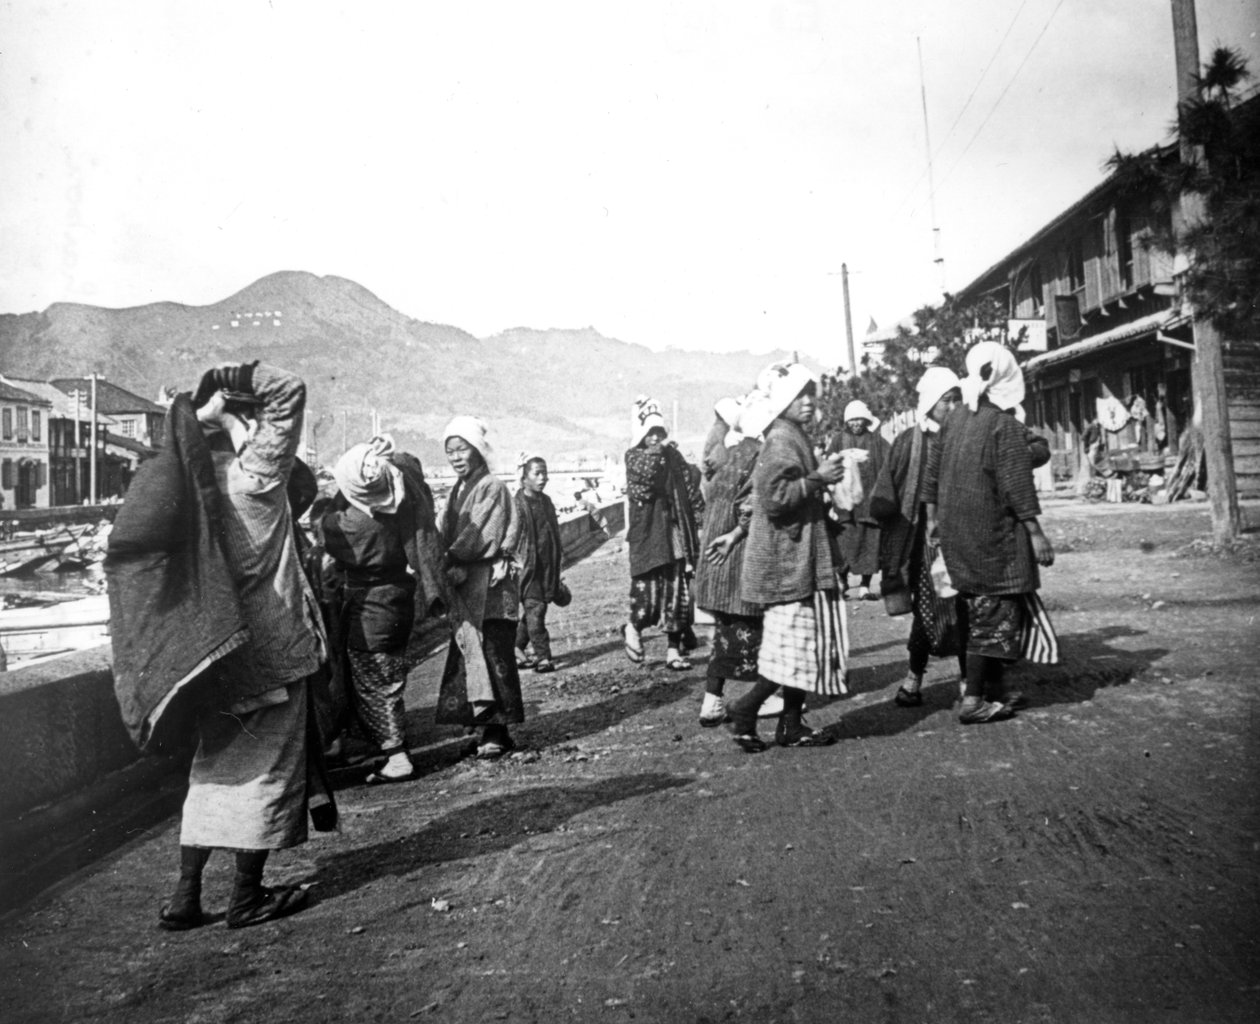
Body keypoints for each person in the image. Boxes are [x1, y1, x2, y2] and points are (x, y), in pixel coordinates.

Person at [110, 361, 334, 931]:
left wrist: (199, 410)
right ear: (244, 420)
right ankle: (246, 895)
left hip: (211, 653)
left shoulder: (189, 492)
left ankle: (186, 896)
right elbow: (288, 392)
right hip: (272, 653)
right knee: (267, 773)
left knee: (211, 772)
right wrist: (232, 380)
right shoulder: (254, 480)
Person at [923, 341, 1057, 725]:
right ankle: (974, 700)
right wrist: (1036, 533)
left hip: (957, 531)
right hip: (991, 536)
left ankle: (991, 690)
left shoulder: (956, 417)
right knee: (993, 613)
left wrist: (933, 519)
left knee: (978, 611)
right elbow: (1017, 485)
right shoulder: (1003, 424)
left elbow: (933, 474)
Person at [725, 364, 847, 751]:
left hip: (793, 559)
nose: (809, 402)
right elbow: (775, 499)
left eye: (811, 394)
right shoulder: (781, 440)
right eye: (800, 396)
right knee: (789, 649)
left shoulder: (791, 436)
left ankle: (791, 725)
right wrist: (817, 479)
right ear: (782, 403)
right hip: (785, 562)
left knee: (798, 646)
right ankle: (746, 710)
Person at [322, 434, 419, 784]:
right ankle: (379, 746)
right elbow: (410, 471)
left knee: (377, 684)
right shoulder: (397, 513)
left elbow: (328, 519)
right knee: (387, 678)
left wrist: (350, 480)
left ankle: (397, 756)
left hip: (370, 610)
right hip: (398, 599)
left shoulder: (349, 524)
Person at [869, 367, 966, 707]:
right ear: (929, 404)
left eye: (957, 400)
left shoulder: (966, 434)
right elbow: (884, 496)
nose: (952, 408)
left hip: (962, 539)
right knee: (931, 610)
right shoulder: (910, 442)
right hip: (925, 544)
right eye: (946, 401)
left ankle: (969, 682)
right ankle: (914, 678)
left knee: (966, 609)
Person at [436, 416, 524, 759]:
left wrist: (448, 556)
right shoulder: (457, 491)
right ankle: (483, 726)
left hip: (489, 586)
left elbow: (480, 534)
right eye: (450, 451)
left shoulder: (491, 487)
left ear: (478, 451)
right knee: (471, 654)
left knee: (493, 654)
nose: (457, 457)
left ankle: (497, 732)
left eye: (462, 449)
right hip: (466, 586)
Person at [693, 391, 776, 726]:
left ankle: (712, 701)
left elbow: (705, 496)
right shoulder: (757, 454)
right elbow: (752, 506)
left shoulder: (719, 454)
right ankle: (769, 697)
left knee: (726, 631)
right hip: (740, 551)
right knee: (760, 627)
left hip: (714, 552)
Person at [622, 396, 704, 670]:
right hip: (648, 536)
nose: (656, 438)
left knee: (677, 593)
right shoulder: (633, 457)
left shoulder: (671, 455)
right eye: (651, 433)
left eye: (660, 433)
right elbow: (646, 478)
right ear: (642, 435)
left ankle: (673, 650)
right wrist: (663, 454)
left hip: (673, 534)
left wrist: (699, 518)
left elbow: (690, 484)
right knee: (647, 594)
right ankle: (633, 628)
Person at [826, 399, 890, 600]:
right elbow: (828, 464)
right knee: (845, 544)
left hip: (869, 504)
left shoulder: (877, 441)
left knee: (870, 544)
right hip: (846, 504)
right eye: (851, 420)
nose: (855, 424)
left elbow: (890, 463)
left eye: (859, 420)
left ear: (866, 420)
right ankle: (842, 581)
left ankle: (865, 585)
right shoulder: (838, 440)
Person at [513, 453, 565, 674]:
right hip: (527, 569)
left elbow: (553, 533)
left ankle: (515, 646)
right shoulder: (517, 505)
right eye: (537, 473)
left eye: (545, 473)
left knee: (535, 610)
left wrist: (559, 561)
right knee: (536, 609)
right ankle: (543, 657)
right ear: (525, 478)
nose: (543, 478)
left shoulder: (546, 502)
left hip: (546, 568)